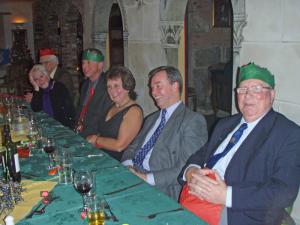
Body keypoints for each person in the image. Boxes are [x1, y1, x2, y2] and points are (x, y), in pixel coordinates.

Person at [179, 63, 300, 225]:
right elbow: (202, 154)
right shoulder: (225, 124)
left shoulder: (288, 133)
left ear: (272, 94)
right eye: (242, 89)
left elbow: (284, 192)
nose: (247, 96)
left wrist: (225, 195)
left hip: (237, 214)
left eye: (256, 89)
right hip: (192, 198)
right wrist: (191, 172)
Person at [121, 66, 208, 200]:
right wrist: (127, 166)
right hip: (132, 174)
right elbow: (132, 147)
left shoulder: (192, 120)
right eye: (151, 88)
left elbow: (187, 167)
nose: (153, 93)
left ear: (175, 86)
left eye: (158, 86)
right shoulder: (151, 118)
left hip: (160, 187)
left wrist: (146, 178)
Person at [86, 66, 143, 161]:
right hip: (100, 156)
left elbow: (119, 146)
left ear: (127, 87)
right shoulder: (112, 105)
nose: (112, 91)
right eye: (109, 87)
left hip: (118, 163)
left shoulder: (134, 112)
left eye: (116, 86)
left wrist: (96, 139)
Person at [75, 48, 112, 138]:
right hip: (79, 130)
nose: (84, 67)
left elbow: (104, 118)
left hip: (95, 135)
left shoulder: (108, 86)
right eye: (83, 63)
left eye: (89, 63)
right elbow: (81, 108)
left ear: (100, 65)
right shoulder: (85, 84)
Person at [25, 64, 75, 128]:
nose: (40, 80)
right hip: (48, 125)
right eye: (36, 79)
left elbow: (67, 112)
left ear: (46, 74)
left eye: (41, 76)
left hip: (62, 126)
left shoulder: (58, 87)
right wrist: (36, 87)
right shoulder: (39, 91)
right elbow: (36, 108)